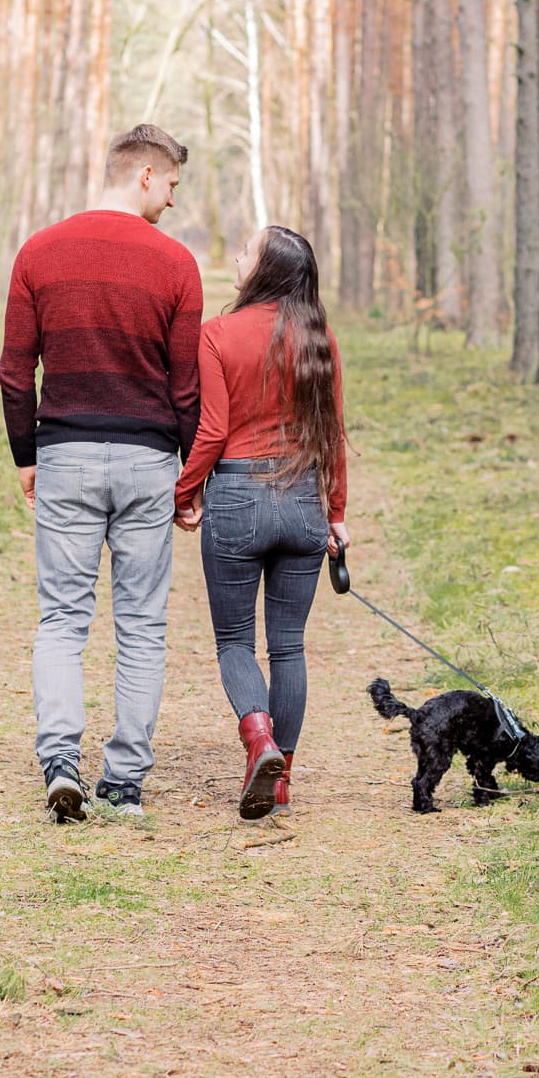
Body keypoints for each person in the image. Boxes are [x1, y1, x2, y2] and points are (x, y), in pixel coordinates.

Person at [0, 124, 203, 823]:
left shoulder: (39, 251)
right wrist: (187, 473)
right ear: (144, 174)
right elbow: (186, 385)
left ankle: (61, 761)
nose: (174, 201)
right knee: (143, 626)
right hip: (148, 461)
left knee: (62, 617)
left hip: (66, 455)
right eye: (172, 184)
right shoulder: (176, 265)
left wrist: (28, 453)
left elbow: (13, 368)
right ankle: (123, 782)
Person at [174, 225, 348, 819]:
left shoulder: (218, 334)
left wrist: (184, 491)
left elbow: (214, 431)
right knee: (290, 647)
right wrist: (338, 515)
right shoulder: (319, 338)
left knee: (233, 641)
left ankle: (259, 740)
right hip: (303, 502)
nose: (238, 256)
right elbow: (332, 436)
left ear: (265, 270)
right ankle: (280, 780)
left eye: (246, 250)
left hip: (238, 498)